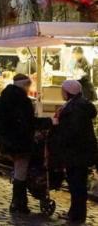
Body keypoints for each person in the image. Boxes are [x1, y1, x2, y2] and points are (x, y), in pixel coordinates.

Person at [52, 79, 98, 223]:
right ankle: (76, 212)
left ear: (68, 92)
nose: (61, 93)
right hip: (81, 152)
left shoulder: (74, 108)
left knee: (76, 184)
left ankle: (77, 215)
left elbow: (72, 132)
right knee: (78, 184)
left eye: (63, 90)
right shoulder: (79, 105)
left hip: (76, 152)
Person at [0, 73, 35, 214]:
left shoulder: (4, 97)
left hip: (7, 140)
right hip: (20, 141)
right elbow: (29, 122)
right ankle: (18, 203)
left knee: (19, 170)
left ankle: (18, 203)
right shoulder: (23, 101)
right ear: (24, 85)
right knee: (21, 171)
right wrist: (48, 123)